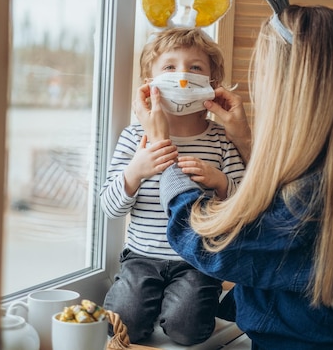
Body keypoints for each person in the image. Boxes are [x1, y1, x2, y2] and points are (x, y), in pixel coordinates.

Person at [133, 5, 333, 350]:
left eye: (262, 69)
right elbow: (291, 192)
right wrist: (245, 140)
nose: (258, 80)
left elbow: (209, 244)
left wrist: (162, 146)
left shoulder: (313, 192)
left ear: (287, 80)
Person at [100, 27, 246, 345]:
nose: (182, 77)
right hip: (141, 257)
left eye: (195, 68)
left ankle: (173, 305)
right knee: (122, 327)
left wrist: (222, 183)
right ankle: (143, 297)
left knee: (187, 330)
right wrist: (135, 173)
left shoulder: (221, 140)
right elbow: (109, 207)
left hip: (197, 261)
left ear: (212, 82)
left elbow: (247, 202)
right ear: (149, 80)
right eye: (169, 67)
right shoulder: (133, 137)